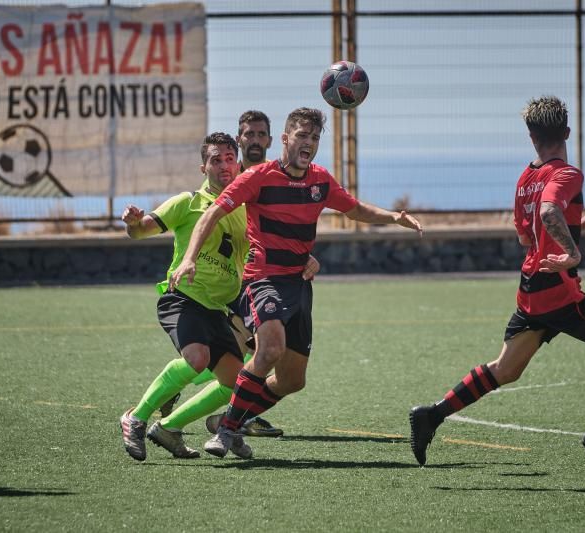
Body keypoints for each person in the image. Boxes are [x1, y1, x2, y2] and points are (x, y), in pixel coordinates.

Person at [408, 96, 585, 475]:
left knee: (506, 369)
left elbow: (529, 236)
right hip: (560, 292)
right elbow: (549, 211)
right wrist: (572, 252)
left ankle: (431, 415)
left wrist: (577, 223)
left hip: (531, 289)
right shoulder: (567, 174)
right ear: (567, 132)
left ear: (531, 135)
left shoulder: (524, 180)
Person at [168, 107, 423, 459]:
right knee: (268, 350)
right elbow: (212, 213)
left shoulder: (320, 180)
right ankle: (227, 431)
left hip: (299, 284)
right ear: (285, 139)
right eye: (302, 136)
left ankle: (235, 417)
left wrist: (394, 217)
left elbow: (353, 209)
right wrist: (190, 258)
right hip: (262, 280)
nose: (309, 143)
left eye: (315, 138)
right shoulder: (259, 177)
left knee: (292, 380)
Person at [119, 132, 318, 461]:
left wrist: (305, 257)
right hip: (183, 298)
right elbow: (142, 230)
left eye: (229, 158)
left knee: (235, 382)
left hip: (220, 308)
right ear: (203, 167)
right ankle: (135, 418)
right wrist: (134, 223)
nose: (224, 165)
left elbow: (271, 243)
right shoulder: (188, 202)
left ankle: (169, 428)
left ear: (237, 163)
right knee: (196, 358)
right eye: (216, 159)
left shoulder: (244, 207)